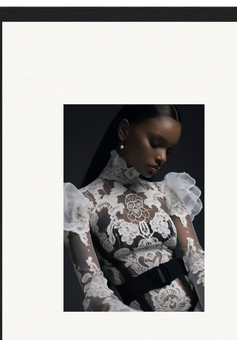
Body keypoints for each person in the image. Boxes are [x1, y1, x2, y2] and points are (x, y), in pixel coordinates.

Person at [63, 105, 205, 311]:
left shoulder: (169, 192)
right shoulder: (80, 202)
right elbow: (93, 287)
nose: (162, 157)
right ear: (124, 131)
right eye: (156, 143)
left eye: (169, 151)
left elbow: (196, 258)